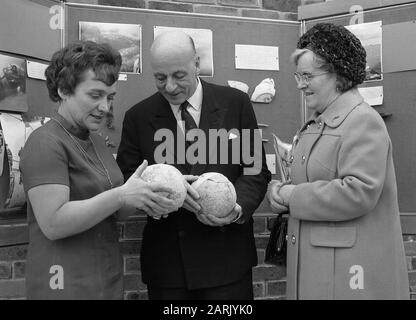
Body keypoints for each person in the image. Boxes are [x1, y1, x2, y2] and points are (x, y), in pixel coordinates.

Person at [116, 30, 271, 300]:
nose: (170, 87)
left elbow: (256, 171)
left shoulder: (236, 103)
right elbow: (128, 180)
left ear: (197, 64)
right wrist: (153, 201)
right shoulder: (137, 117)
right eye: (160, 78)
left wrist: (235, 209)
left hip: (228, 262)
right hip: (168, 268)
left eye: (179, 76)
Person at [20, 41, 177, 299]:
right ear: (63, 90)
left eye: (110, 97)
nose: (105, 107)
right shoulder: (44, 142)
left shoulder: (95, 139)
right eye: (95, 95)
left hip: (105, 280)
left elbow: (115, 212)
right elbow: (53, 223)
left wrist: (154, 191)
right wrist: (121, 196)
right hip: (62, 285)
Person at [267, 23, 410, 299]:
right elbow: (309, 181)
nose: (299, 84)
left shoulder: (363, 121)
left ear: (337, 74)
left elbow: (358, 192)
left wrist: (292, 195)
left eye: (307, 75)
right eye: (298, 75)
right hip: (318, 270)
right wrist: (279, 192)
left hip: (347, 277)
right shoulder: (316, 122)